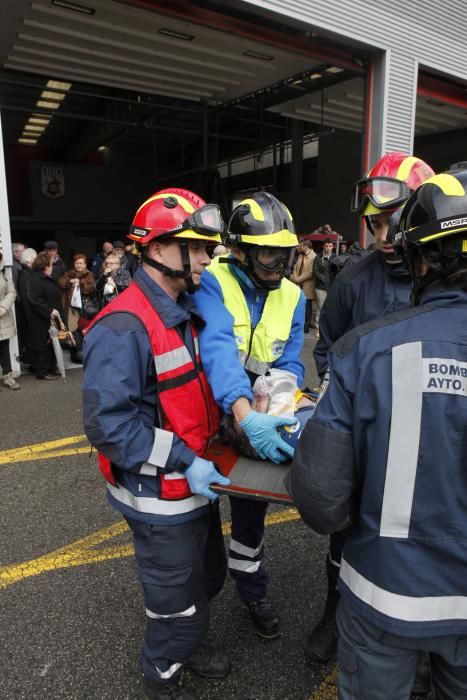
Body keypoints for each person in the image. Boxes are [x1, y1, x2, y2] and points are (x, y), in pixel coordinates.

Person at [287, 166, 467, 700]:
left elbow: (320, 501)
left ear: (422, 260)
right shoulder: (355, 285)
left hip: (385, 593)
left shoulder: (364, 350)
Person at [83, 188, 232, 700]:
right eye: (197, 248)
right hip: (159, 497)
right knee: (176, 608)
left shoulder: (180, 307)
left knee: (209, 577)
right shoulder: (124, 326)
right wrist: (185, 458)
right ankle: (162, 675)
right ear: (157, 249)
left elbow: (186, 392)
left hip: (192, 488)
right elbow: (110, 426)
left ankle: (188, 645)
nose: (208, 258)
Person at [308, 152, 436, 697]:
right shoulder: (354, 279)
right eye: (375, 222)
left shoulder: (444, 273)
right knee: (346, 534)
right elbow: (327, 349)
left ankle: (430, 642)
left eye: (394, 221)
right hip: (367, 440)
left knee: (429, 539)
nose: (383, 235)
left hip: (431, 442)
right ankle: (335, 614)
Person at [195, 191, 304, 639]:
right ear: (238, 250)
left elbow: (292, 362)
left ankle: (252, 590)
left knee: (250, 515)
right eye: (266, 253)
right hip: (205, 420)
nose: (277, 264)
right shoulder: (212, 281)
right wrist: (242, 408)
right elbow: (218, 347)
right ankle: (192, 603)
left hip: (253, 420)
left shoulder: (294, 296)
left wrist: (278, 401)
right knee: (194, 517)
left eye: (284, 253)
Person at [27, 252, 62, 380]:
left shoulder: (46, 277)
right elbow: (34, 298)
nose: (52, 266)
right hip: (40, 317)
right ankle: (42, 371)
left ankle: (51, 367)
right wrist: (49, 310)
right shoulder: (35, 278)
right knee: (42, 344)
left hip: (50, 316)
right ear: (45, 265)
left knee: (52, 341)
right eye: (51, 263)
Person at [58, 254, 96, 332]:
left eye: (81, 263)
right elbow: (60, 283)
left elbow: (92, 287)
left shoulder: (89, 274)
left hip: (84, 305)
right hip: (70, 305)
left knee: (83, 326)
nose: (78, 265)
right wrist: (69, 281)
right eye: (76, 263)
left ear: (85, 264)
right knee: (72, 326)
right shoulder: (69, 273)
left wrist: (80, 283)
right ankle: (74, 341)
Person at [0, 252, 20, 390]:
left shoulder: (4, 269)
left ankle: (8, 376)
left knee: (4, 347)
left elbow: (11, 291)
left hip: (3, 314)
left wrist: (3, 307)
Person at [17, 248, 37, 367]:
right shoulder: (26, 275)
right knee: (31, 340)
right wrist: (31, 318)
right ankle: (32, 363)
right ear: (29, 261)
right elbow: (26, 299)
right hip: (30, 316)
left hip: (30, 315)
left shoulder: (26, 273)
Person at [290, 239, 316, 333]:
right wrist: (295, 277)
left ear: (306, 246)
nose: (299, 247)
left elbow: (310, 273)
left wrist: (296, 279)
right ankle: (297, 324)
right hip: (297, 285)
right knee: (297, 305)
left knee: (307, 307)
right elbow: (295, 268)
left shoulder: (314, 256)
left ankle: (306, 326)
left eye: (301, 246)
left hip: (307, 286)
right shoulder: (300, 256)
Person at [312, 238, 334, 331]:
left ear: (333, 246)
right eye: (326, 246)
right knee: (320, 307)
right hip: (320, 287)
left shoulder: (335, 257)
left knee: (331, 307)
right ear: (323, 246)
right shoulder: (318, 257)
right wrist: (325, 280)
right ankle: (318, 326)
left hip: (332, 287)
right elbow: (315, 271)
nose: (328, 248)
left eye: (330, 246)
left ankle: (328, 326)